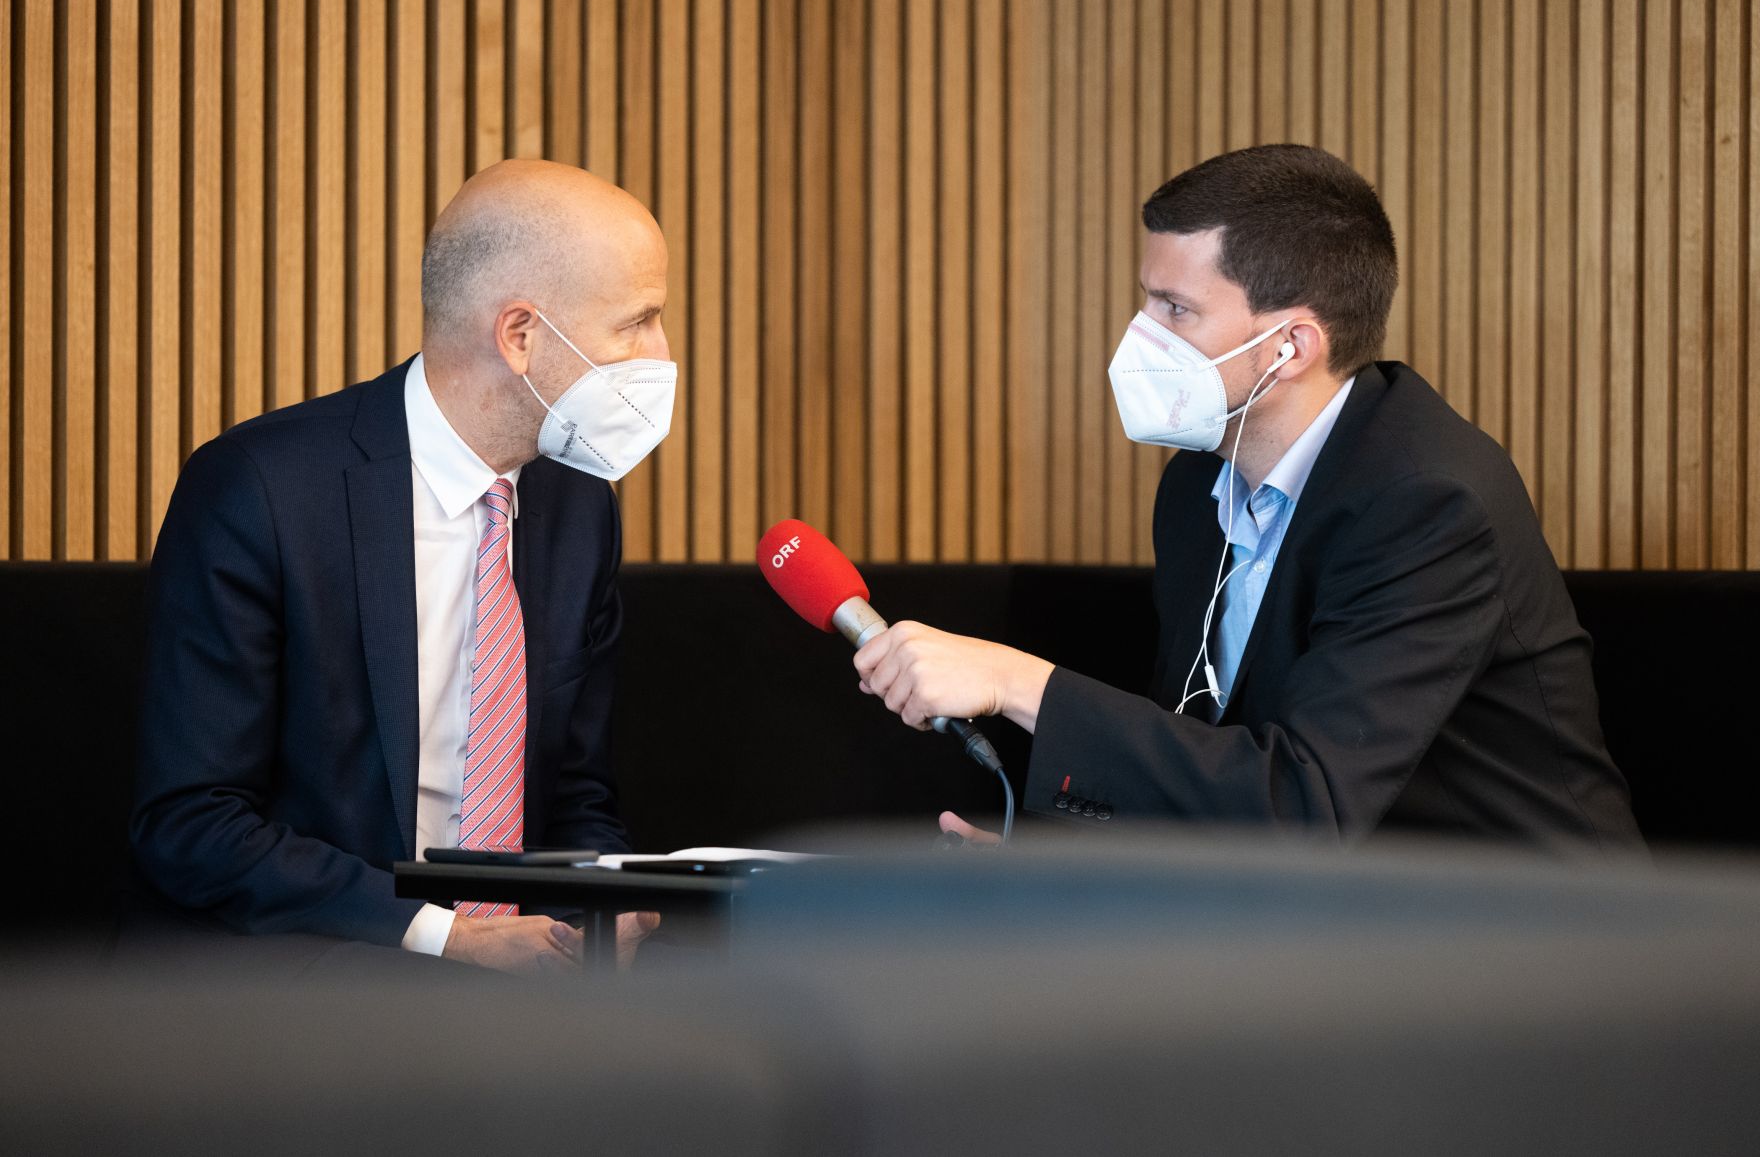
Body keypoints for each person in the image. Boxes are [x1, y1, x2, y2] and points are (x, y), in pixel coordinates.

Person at [854, 144, 1643, 851]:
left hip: (1531, 960)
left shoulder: (1428, 503)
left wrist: (1019, 681)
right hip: (1331, 940)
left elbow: (1305, 804)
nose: (1142, 337)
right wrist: (1063, 881)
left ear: (1290, 346)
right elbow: (1207, 779)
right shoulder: (1197, 484)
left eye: (1176, 310)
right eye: (1147, 300)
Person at [133, 161, 670, 972]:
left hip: (509, 1008)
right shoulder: (262, 491)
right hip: (282, 993)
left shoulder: (578, 505)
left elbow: (575, 796)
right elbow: (192, 821)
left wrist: (598, 912)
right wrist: (444, 938)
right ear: (521, 335)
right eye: (637, 323)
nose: (661, 356)